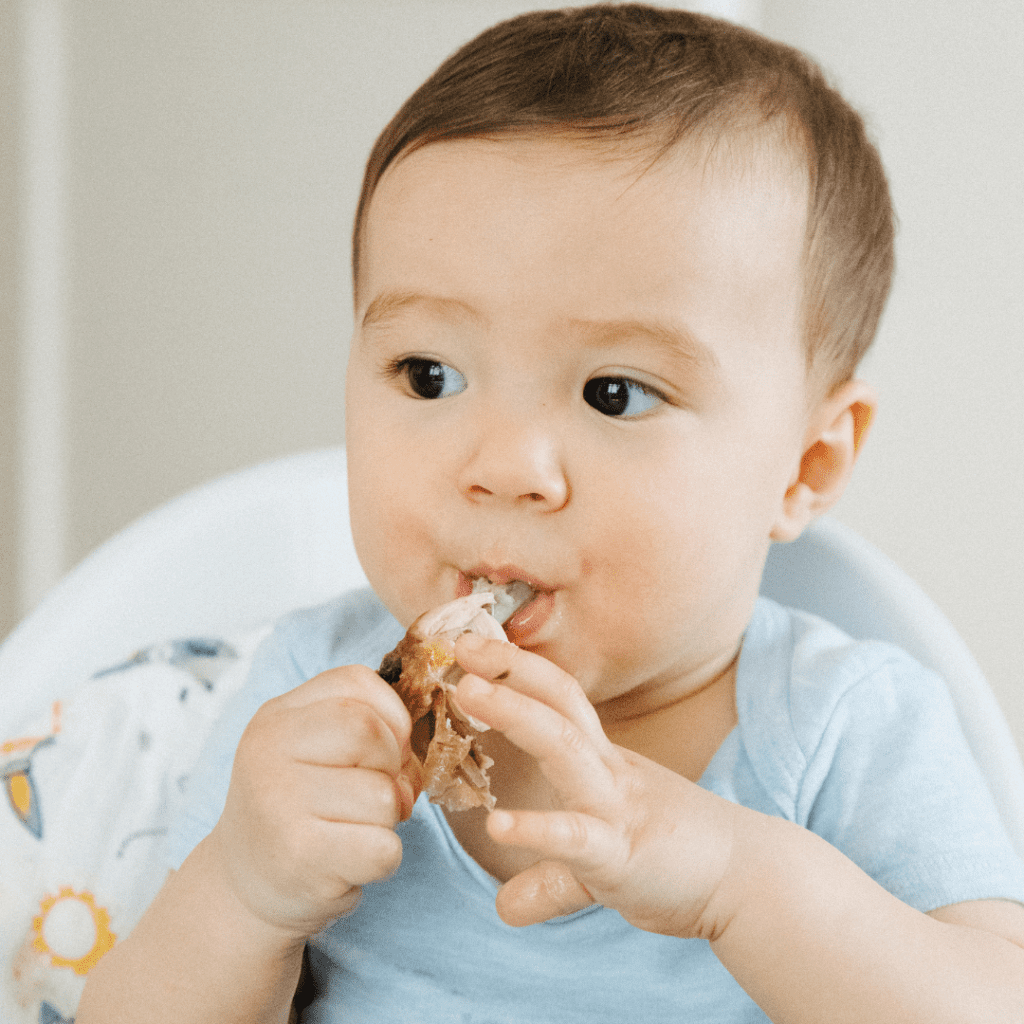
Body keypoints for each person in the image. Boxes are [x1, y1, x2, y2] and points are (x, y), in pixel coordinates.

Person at [77, 5, 1024, 1022]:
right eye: (428, 373)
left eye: (612, 391)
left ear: (806, 462)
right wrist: (240, 894)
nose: (505, 466)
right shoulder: (311, 703)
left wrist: (735, 882)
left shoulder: (843, 728)